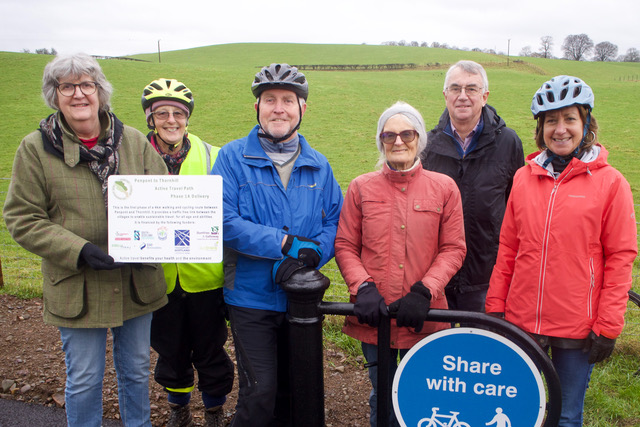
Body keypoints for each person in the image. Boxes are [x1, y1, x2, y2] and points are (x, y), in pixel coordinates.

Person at [3, 53, 168, 427]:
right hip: (77, 285)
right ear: (55, 95)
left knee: (137, 373)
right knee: (85, 378)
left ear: (100, 91)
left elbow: (165, 198)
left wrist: (160, 242)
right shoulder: (36, 149)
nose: (79, 94)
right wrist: (79, 250)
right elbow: (22, 217)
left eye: (87, 85)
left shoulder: (135, 142)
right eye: (67, 86)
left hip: (135, 280)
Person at [486, 75, 638, 426]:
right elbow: (508, 246)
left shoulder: (611, 183)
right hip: (523, 321)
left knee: (566, 416)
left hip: (577, 327)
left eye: (569, 118)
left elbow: (620, 257)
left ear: (586, 124)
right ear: (541, 128)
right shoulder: (524, 178)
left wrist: (609, 325)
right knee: (519, 411)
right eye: (551, 120)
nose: (560, 129)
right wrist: (495, 307)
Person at [210, 63, 344, 427]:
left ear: (303, 109)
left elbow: (335, 221)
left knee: (296, 391)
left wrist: (316, 252)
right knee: (260, 391)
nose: (279, 108)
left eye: (289, 100)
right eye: (270, 100)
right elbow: (223, 220)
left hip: (300, 295)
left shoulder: (319, 165)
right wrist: (286, 244)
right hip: (250, 297)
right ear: (257, 108)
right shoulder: (232, 158)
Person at [335, 101, 466, 427]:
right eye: (389, 134)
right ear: (380, 140)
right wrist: (362, 286)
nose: (398, 141)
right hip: (373, 318)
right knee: (381, 395)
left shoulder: (444, 188)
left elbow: (453, 248)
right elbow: (345, 245)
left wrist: (425, 291)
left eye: (406, 133)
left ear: (419, 138)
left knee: (419, 397)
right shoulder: (360, 187)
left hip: (424, 319)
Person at [141, 78, 234, 427]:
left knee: (211, 351)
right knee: (170, 351)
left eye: (178, 113)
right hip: (157, 278)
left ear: (187, 117)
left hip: (205, 278)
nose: (170, 120)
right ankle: (178, 410)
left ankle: (214, 411)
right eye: (161, 113)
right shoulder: (134, 156)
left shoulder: (214, 154)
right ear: (150, 118)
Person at [420, 60, 524, 314]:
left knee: (480, 351)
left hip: (487, 276)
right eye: (455, 88)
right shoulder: (427, 145)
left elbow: (517, 208)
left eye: (472, 89)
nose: (463, 96)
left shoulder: (508, 143)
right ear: (445, 95)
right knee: (439, 350)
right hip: (436, 276)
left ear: (485, 96)